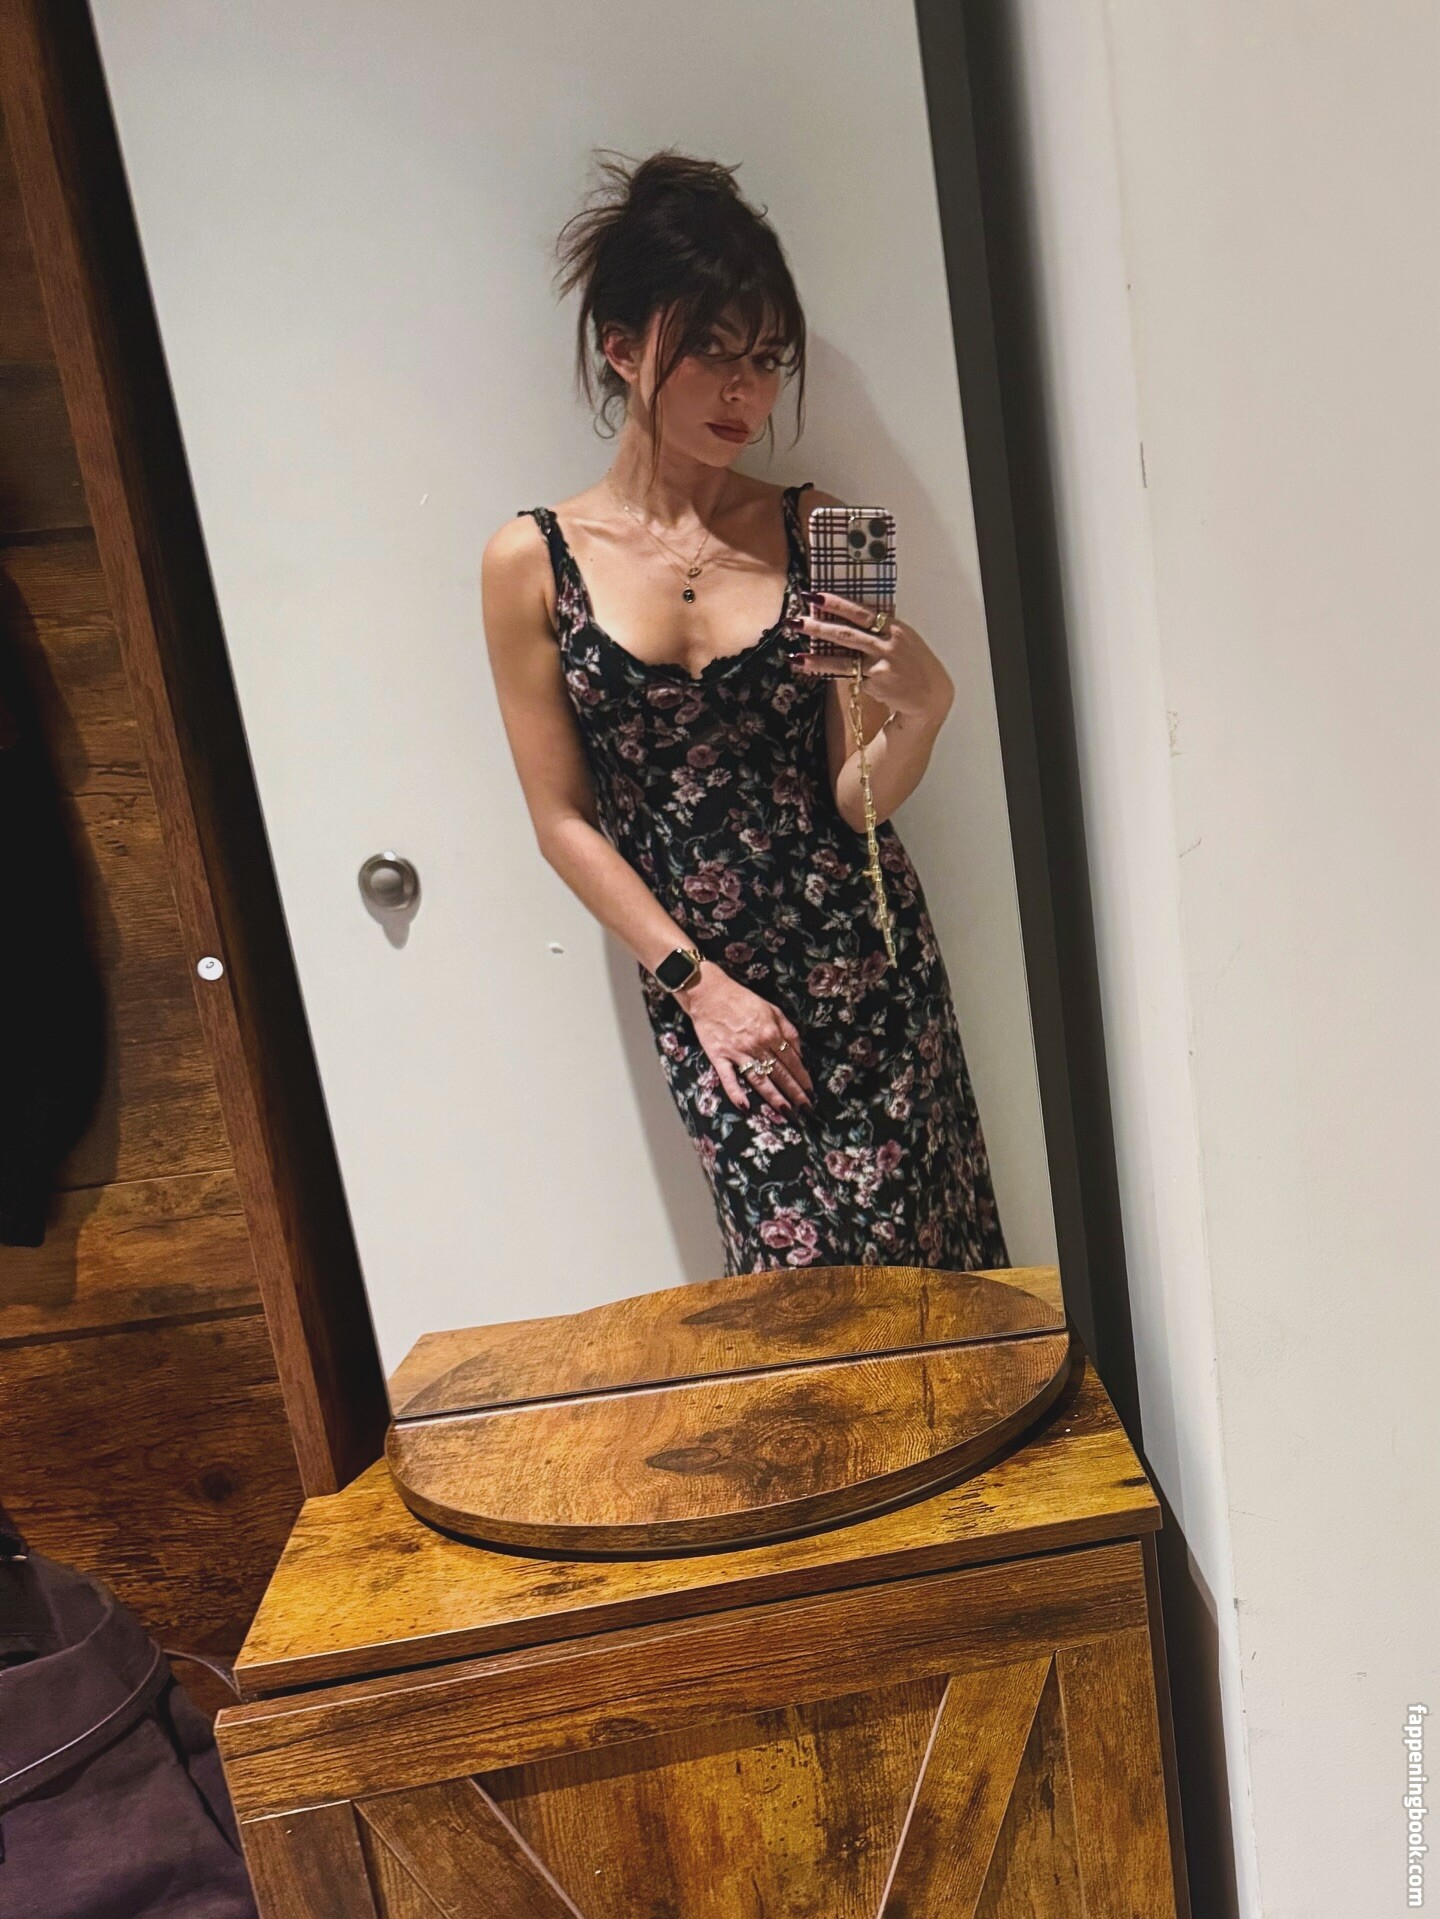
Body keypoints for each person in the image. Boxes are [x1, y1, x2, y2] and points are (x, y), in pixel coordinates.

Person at [482, 148, 1008, 1274]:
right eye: (713, 353)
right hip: (709, 988)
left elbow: (855, 803)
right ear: (623, 349)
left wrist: (923, 713)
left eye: (766, 360)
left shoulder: (833, 531)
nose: (747, 394)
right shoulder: (529, 560)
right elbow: (561, 820)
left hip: (866, 969)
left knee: (925, 1274)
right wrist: (699, 989)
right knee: (792, 1290)